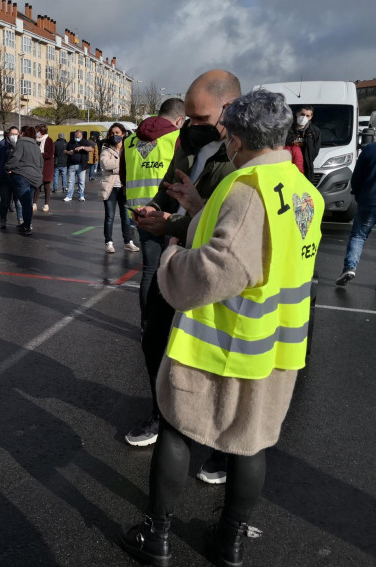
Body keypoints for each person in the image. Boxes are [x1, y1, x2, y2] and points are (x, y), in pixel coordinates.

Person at [121, 88, 323, 567]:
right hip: (274, 344)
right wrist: (193, 207)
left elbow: (220, 268)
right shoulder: (301, 190)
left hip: (222, 343)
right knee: (249, 443)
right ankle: (228, 543)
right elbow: (256, 251)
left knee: (175, 430)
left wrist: (171, 260)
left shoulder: (246, 188)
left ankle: (157, 537)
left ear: (238, 137)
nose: (224, 140)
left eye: (226, 132)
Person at [126, 71, 240, 488]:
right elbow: (170, 189)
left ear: (229, 109)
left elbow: (227, 223)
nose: (190, 125)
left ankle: (225, 446)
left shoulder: (242, 158)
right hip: (177, 261)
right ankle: (161, 413)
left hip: (215, 272)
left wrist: (173, 223)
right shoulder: (186, 143)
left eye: (200, 116)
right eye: (186, 117)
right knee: (154, 336)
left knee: (218, 361)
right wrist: (154, 211)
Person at [122, 98, 185, 322]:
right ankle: (165, 325)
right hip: (170, 211)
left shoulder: (129, 141)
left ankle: (146, 324)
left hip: (139, 210)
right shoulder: (178, 138)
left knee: (149, 269)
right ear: (179, 119)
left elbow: (123, 175)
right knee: (172, 269)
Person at [335, 139, 376, 286]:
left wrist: (357, 193)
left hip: (369, 198)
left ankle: (350, 267)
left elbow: (357, 175)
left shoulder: (370, 149)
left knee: (358, 235)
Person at [99, 123, 139, 254]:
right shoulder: (106, 149)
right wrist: (122, 165)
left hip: (124, 187)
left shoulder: (128, 148)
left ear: (123, 134)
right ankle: (108, 242)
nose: (114, 135)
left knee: (125, 217)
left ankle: (128, 242)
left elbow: (133, 164)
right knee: (109, 216)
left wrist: (116, 166)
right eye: (112, 133)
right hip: (110, 187)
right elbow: (105, 164)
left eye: (117, 132)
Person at [5, 125, 42, 235]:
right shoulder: (36, 145)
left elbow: (16, 158)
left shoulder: (21, 143)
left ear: (23, 133)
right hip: (35, 177)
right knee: (28, 202)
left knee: (25, 204)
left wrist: (7, 167)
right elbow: (41, 162)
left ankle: (27, 226)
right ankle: (26, 223)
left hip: (23, 175)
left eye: (20, 133)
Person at [0, 126, 23, 229]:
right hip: (4, 179)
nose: (14, 136)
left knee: (18, 201)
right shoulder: (2, 148)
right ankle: (3, 220)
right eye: (12, 134)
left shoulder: (21, 147)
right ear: (8, 135)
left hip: (17, 178)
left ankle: (21, 220)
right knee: (4, 201)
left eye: (16, 134)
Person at [290, 105, 321, 183]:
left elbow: (315, 150)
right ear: (297, 114)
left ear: (311, 117)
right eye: (302, 114)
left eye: (307, 115)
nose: (304, 117)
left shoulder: (315, 131)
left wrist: (308, 159)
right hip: (290, 166)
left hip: (306, 168)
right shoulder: (288, 129)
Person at [64, 130, 94, 201]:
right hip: (71, 164)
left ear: (81, 136)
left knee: (81, 181)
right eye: (76, 136)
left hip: (81, 164)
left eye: (78, 137)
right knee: (70, 181)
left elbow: (91, 149)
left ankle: (81, 195)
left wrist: (82, 147)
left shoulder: (85, 142)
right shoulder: (71, 142)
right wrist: (68, 152)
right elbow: (64, 151)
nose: (77, 138)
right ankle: (69, 195)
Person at [34, 124, 54, 212]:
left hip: (46, 167)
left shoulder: (49, 140)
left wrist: (38, 155)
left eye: (37, 131)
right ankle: (34, 203)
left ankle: (46, 204)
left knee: (46, 186)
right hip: (37, 166)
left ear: (41, 132)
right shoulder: (36, 141)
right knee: (37, 186)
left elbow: (50, 154)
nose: (36, 133)